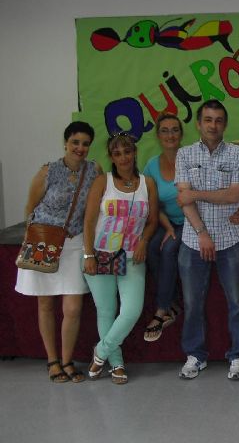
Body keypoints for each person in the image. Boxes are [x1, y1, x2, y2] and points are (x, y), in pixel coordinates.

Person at [15, 121, 101, 383]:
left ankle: (67, 360)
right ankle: (53, 361)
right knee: (45, 304)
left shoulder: (94, 171)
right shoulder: (48, 171)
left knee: (73, 308)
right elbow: (31, 207)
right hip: (45, 243)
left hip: (75, 244)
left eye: (85, 144)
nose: (80, 148)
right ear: (65, 143)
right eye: (75, 142)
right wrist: (31, 241)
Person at [175, 99, 239, 380]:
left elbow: (233, 195)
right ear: (198, 123)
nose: (213, 125)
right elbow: (183, 201)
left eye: (218, 120)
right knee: (193, 303)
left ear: (225, 124)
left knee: (238, 303)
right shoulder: (184, 154)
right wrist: (202, 234)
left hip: (231, 239)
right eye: (208, 119)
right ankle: (195, 355)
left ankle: (238, 356)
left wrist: (195, 194)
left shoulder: (238, 154)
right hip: (193, 240)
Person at [83, 132, 158, 385]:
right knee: (106, 311)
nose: (123, 157)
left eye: (127, 151)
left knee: (131, 310)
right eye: (117, 153)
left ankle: (100, 352)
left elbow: (153, 221)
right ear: (111, 157)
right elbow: (89, 221)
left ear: (135, 152)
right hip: (100, 254)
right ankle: (116, 364)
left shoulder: (147, 183)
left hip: (132, 256)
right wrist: (88, 255)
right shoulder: (102, 182)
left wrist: (144, 241)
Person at [142, 112, 185, 342]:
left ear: (181, 134)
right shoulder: (151, 166)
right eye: (165, 131)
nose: (170, 135)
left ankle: (162, 310)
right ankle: (173, 303)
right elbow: (152, 204)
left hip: (192, 221)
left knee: (168, 249)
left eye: (175, 130)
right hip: (166, 220)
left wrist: (173, 231)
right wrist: (167, 227)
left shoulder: (191, 159)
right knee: (151, 247)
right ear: (158, 136)